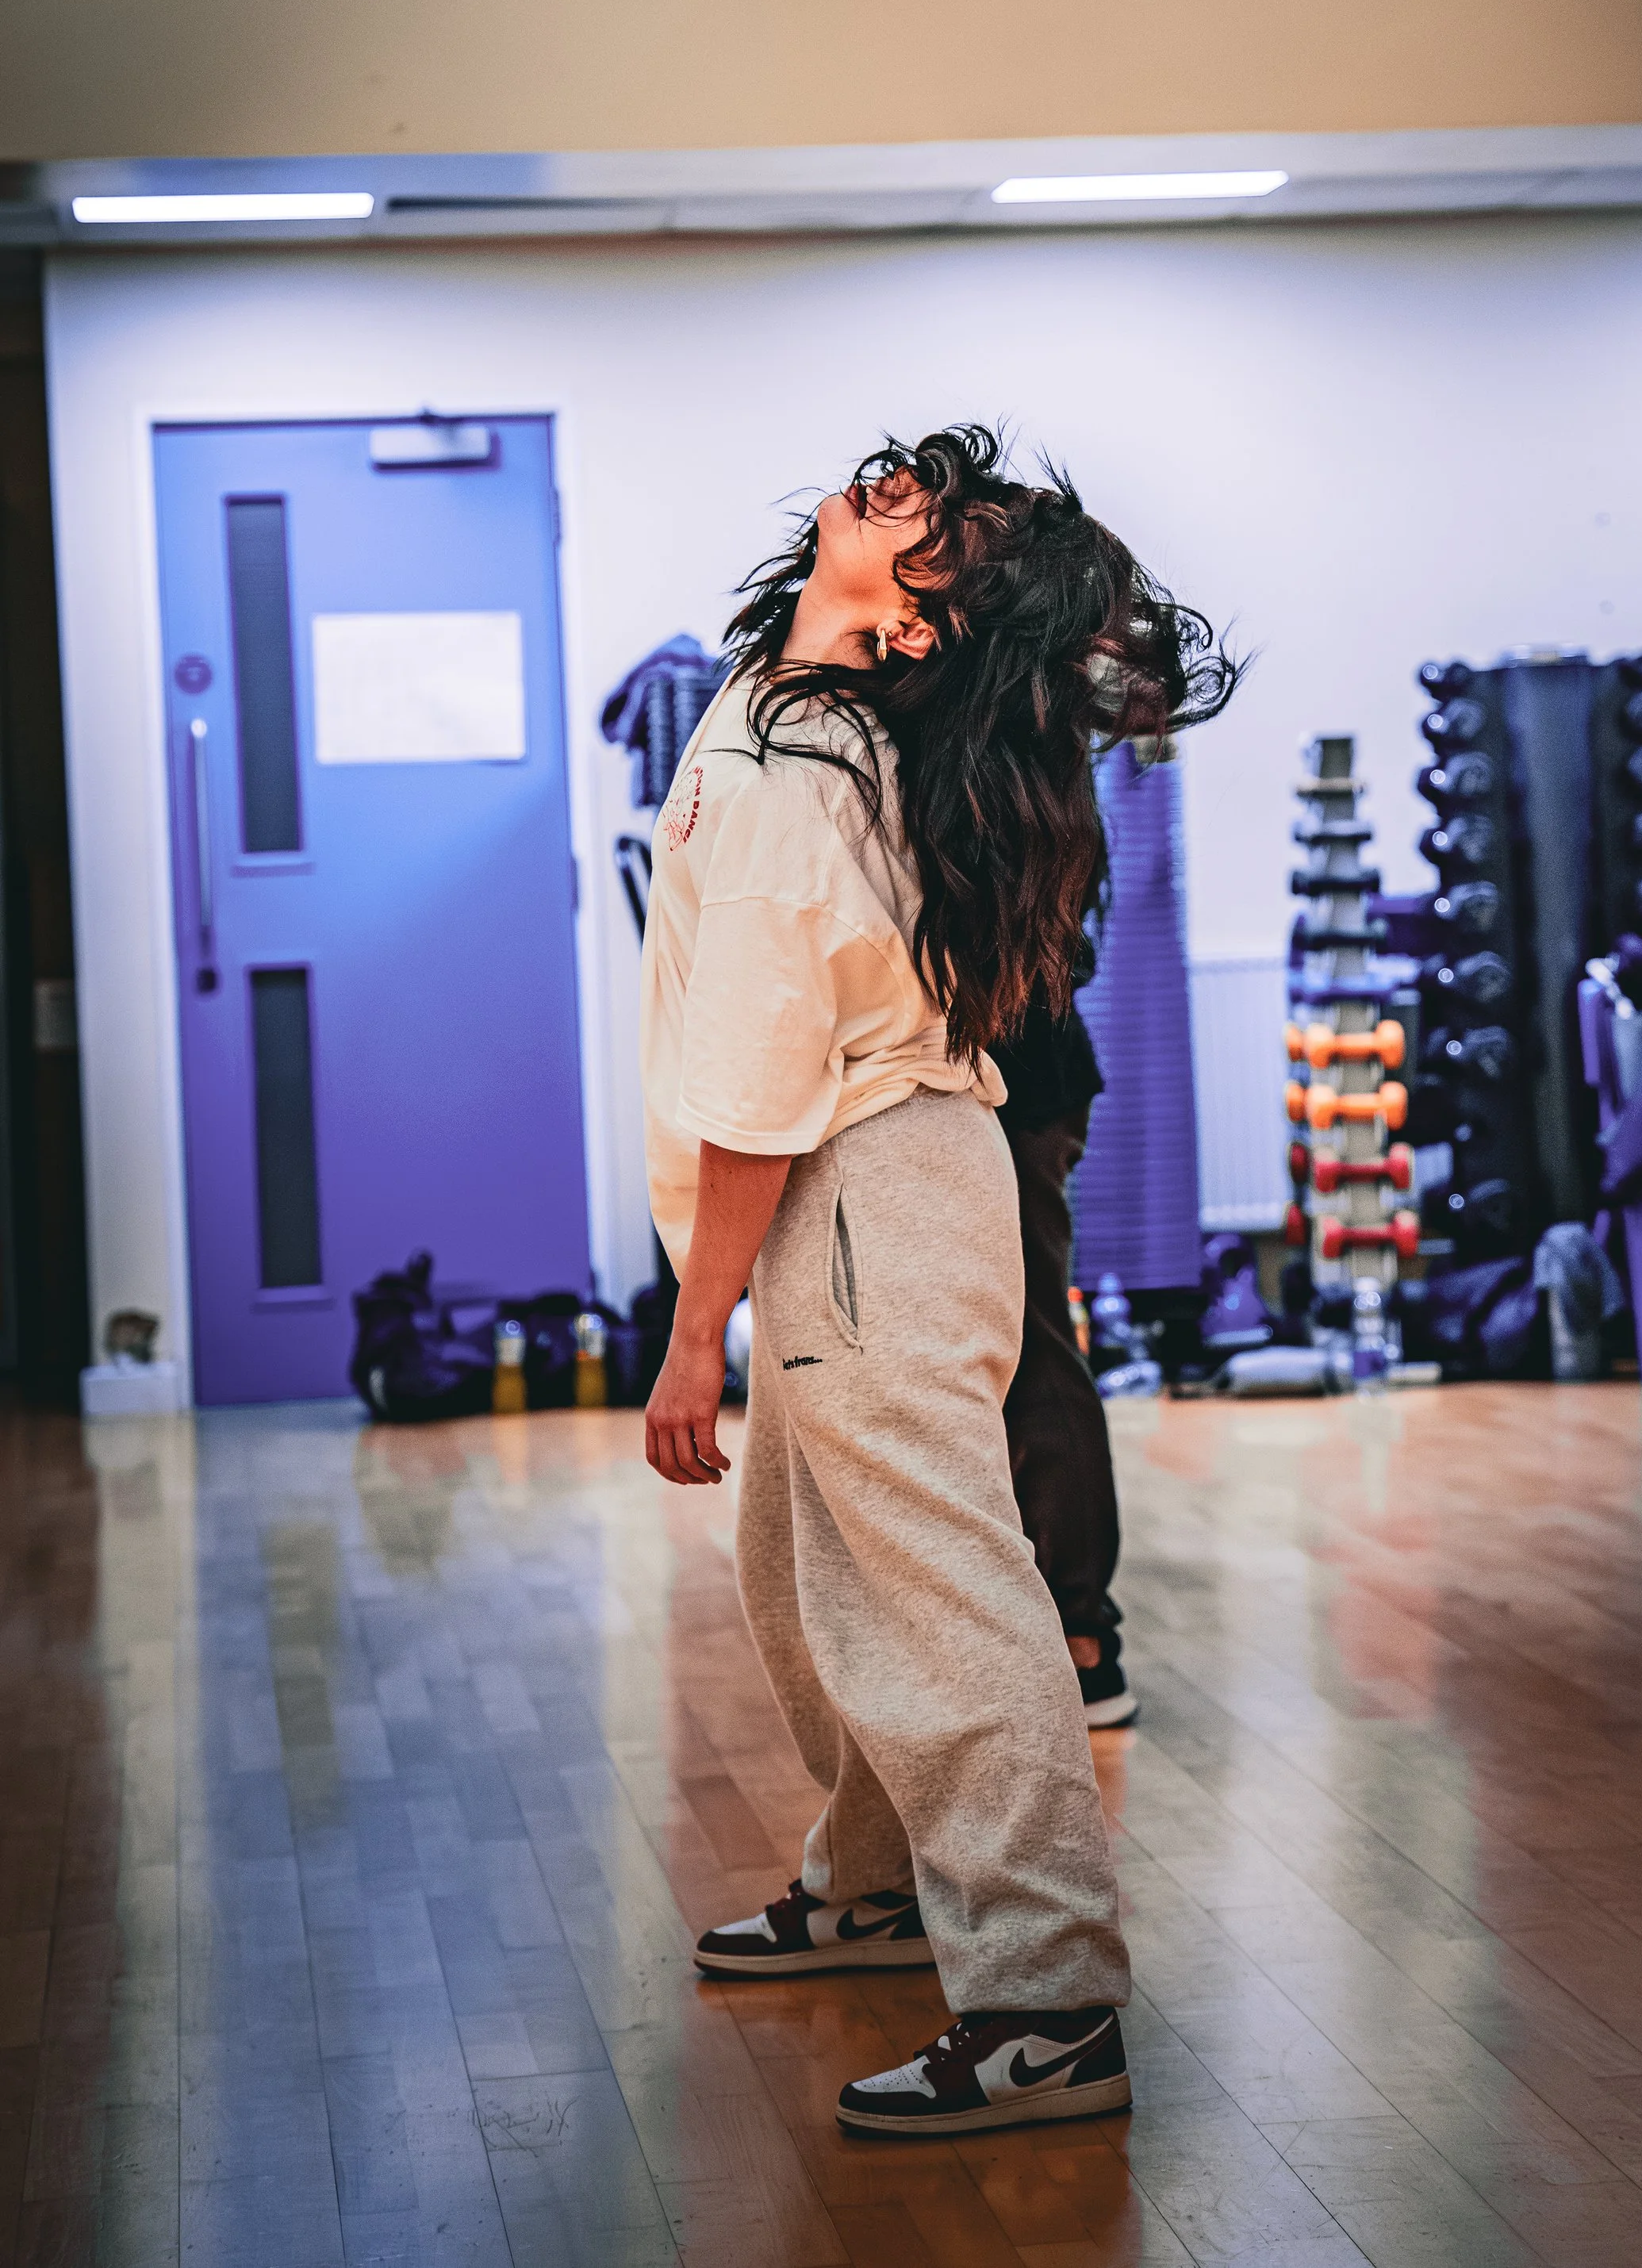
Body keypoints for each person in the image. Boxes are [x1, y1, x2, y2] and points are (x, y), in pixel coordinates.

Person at [639, 428, 1237, 2132]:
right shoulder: (795, 706)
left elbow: (759, 1083)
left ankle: (1046, 2001)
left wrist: (696, 1334)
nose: (892, 487)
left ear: (920, 630)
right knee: (809, 1570)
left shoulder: (799, 770)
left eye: (941, 528)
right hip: (874, 1194)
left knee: (942, 1602)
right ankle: (876, 1882)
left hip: (857, 1196)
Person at [990, 969, 1138, 1727]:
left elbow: (1056, 952)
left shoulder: (1012, 845)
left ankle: (1084, 1641)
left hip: (1022, 1089)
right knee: (1010, 1351)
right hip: (1005, 1087)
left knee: (1035, 1347)